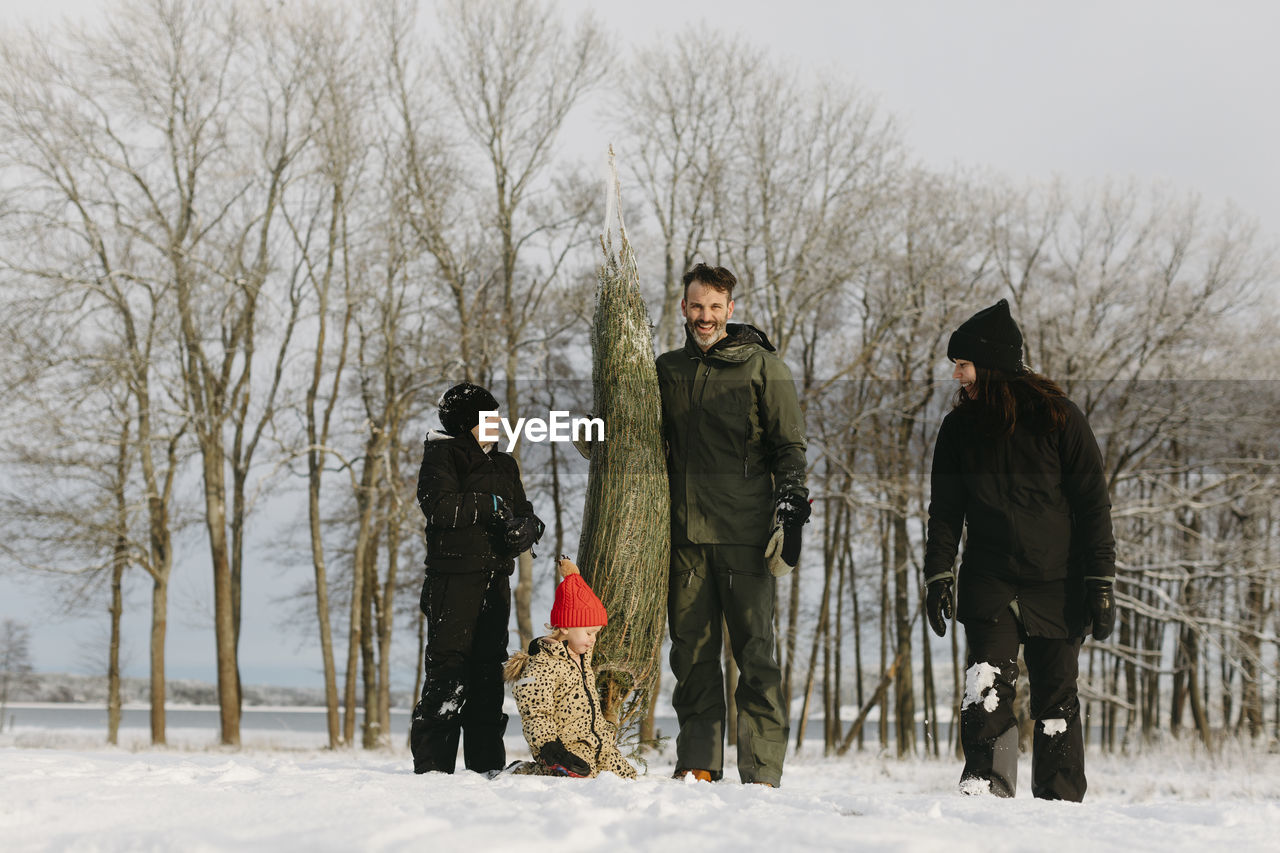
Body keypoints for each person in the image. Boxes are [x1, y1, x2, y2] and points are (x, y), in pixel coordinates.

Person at [923, 299, 1116, 802]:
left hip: (1059, 579)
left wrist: (1101, 582)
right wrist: (938, 575)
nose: (956, 376)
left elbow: (1094, 505)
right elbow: (945, 512)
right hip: (990, 579)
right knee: (986, 689)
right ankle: (987, 795)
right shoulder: (959, 430)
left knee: (1056, 699)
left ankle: (1059, 806)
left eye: (962, 365)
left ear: (989, 365)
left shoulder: (1060, 419)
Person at [655, 263, 809, 788]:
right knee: (693, 657)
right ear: (683, 307)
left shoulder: (765, 368)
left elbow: (789, 447)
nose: (705, 316)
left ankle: (761, 771)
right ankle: (699, 762)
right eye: (696, 306)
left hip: (746, 537)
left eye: (715, 307)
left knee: (755, 655)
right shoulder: (666, 369)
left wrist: (790, 513)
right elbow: (638, 431)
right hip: (686, 540)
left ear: (731, 311)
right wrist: (597, 432)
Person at [409, 382, 544, 774]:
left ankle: (486, 767)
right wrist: (492, 504)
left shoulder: (504, 464)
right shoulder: (441, 456)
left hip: (495, 579)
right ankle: (433, 769)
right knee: (448, 672)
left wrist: (529, 527)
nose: (499, 424)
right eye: (490, 417)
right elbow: (440, 507)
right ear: (468, 423)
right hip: (453, 581)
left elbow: (523, 509)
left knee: (488, 673)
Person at [502, 557, 637, 779]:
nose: (593, 640)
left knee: (628, 779)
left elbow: (577, 597)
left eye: (596, 633)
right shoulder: (543, 665)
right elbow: (535, 713)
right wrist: (549, 748)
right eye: (589, 633)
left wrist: (573, 576)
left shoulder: (581, 657)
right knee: (583, 777)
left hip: (600, 746)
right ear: (564, 626)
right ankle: (525, 771)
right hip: (567, 749)